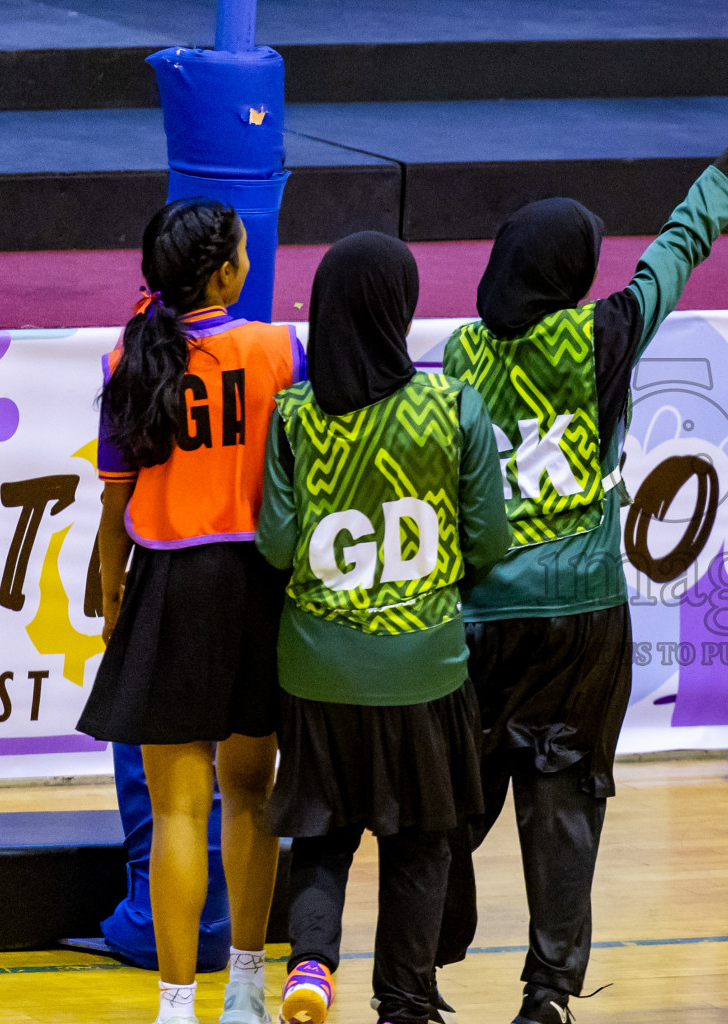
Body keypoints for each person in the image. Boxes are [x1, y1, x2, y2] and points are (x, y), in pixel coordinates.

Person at [435, 94, 728, 1024]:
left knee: (454, 799)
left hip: (477, 621)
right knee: (567, 806)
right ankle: (547, 994)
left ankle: (422, 960)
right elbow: (681, 242)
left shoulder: (457, 352)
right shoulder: (604, 335)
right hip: (580, 624)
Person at [253, 232, 510, 1024]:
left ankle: (309, 968)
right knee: (423, 839)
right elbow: (491, 540)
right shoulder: (453, 405)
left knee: (323, 836)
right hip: (425, 669)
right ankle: (403, 1001)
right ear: (399, 310)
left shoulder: (295, 416)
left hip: (317, 668)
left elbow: (276, 545)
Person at [78, 196, 304, 1024]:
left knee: (178, 807)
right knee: (253, 794)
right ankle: (246, 988)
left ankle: (177, 1006)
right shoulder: (283, 349)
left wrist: (112, 606)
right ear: (227, 272)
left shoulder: (126, 359)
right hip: (260, 590)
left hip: (167, 588)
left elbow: (113, 513)